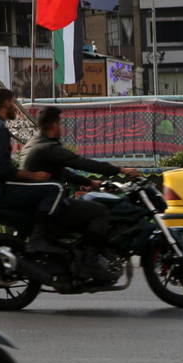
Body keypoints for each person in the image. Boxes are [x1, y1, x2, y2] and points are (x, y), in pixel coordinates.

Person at [22, 106, 138, 269]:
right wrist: (120, 170)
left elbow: (62, 172)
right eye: (60, 123)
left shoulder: (34, 143)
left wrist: (90, 183)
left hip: (40, 203)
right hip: (50, 206)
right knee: (100, 211)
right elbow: (82, 163)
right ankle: (90, 260)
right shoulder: (49, 148)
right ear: (54, 125)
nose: (62, 127)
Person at [0, 87, 57, 249]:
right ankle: (38, 239)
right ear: (6, 103)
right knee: (53, 189)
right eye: (14, 103)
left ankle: (22, 245)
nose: (15, 108)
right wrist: (34, 176)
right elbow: (3, 169)